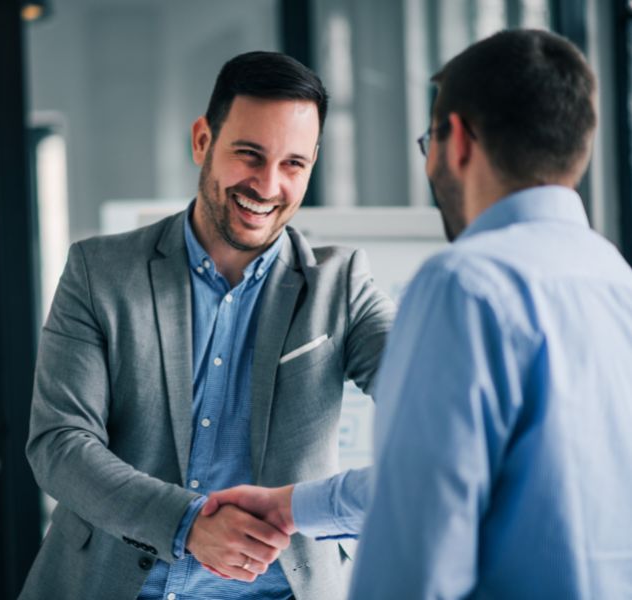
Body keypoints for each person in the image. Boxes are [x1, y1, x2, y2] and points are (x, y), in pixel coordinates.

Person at [205, 29, 632, 598]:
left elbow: (418, 540)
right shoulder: (615, 280)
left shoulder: (465, 283)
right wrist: (292, 506)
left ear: (454, 141)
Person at [20, 51, 395, 600]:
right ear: (202, 141)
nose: (268, 186)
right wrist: (187, 523)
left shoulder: (341, 286)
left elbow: (438, 413)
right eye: (249, 154)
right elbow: (59, 444)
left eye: (294, 164)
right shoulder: (98, 272)